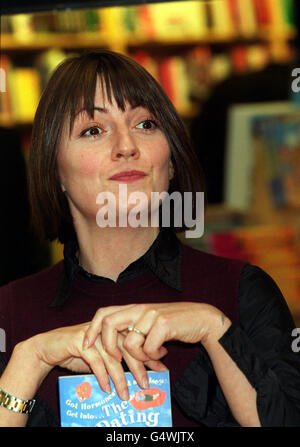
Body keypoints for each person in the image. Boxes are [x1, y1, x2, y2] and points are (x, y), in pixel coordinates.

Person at [0, 50, 299, 428]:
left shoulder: (242, 292)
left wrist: (214, 329)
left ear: (170, 161)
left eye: (145, 124)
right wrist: (30, 361)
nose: (127, 146)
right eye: (93, 130)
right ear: (54, 169)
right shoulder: (10, 312)